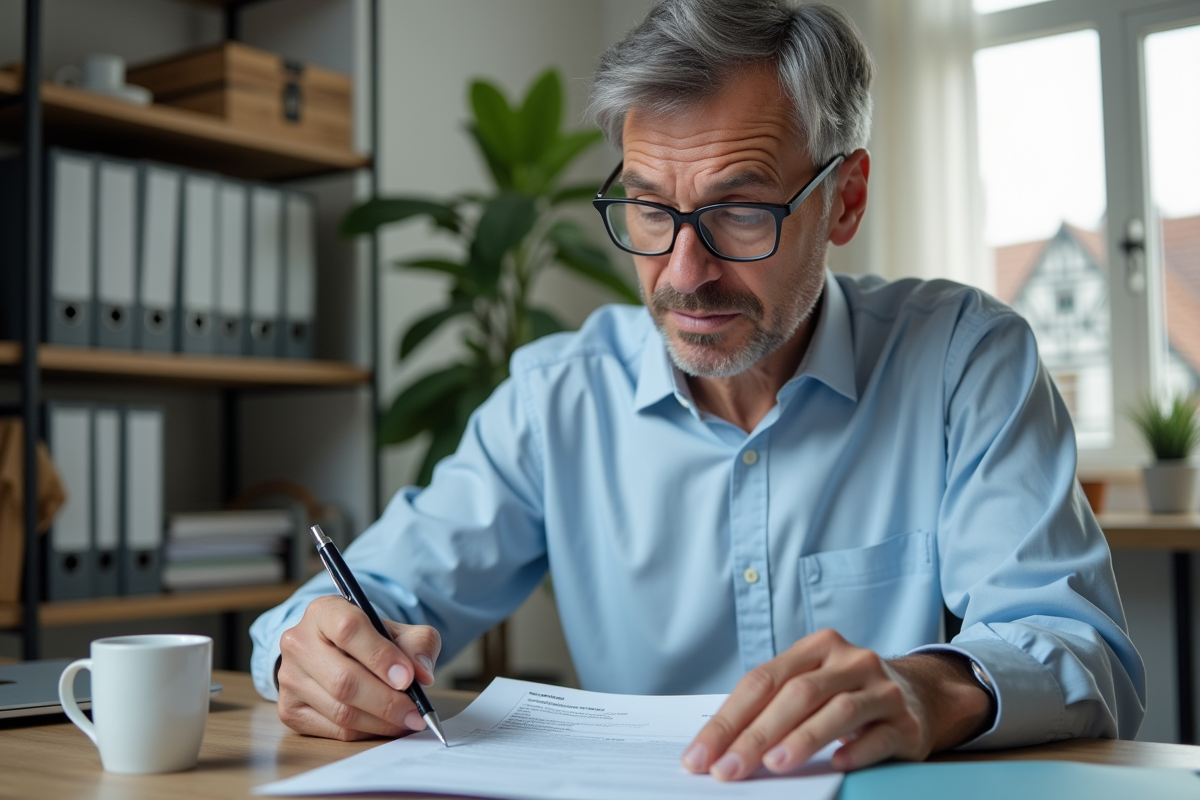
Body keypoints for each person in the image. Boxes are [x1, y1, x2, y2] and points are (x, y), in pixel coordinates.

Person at [250, 0, 1145, 780]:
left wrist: (926, 689)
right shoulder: (556, 401)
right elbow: (348, 603)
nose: (685, 272)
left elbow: (1085, 654)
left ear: (845, 199)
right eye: (649, 207)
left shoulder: (963, 361)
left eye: (740, 209)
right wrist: (314, 652)